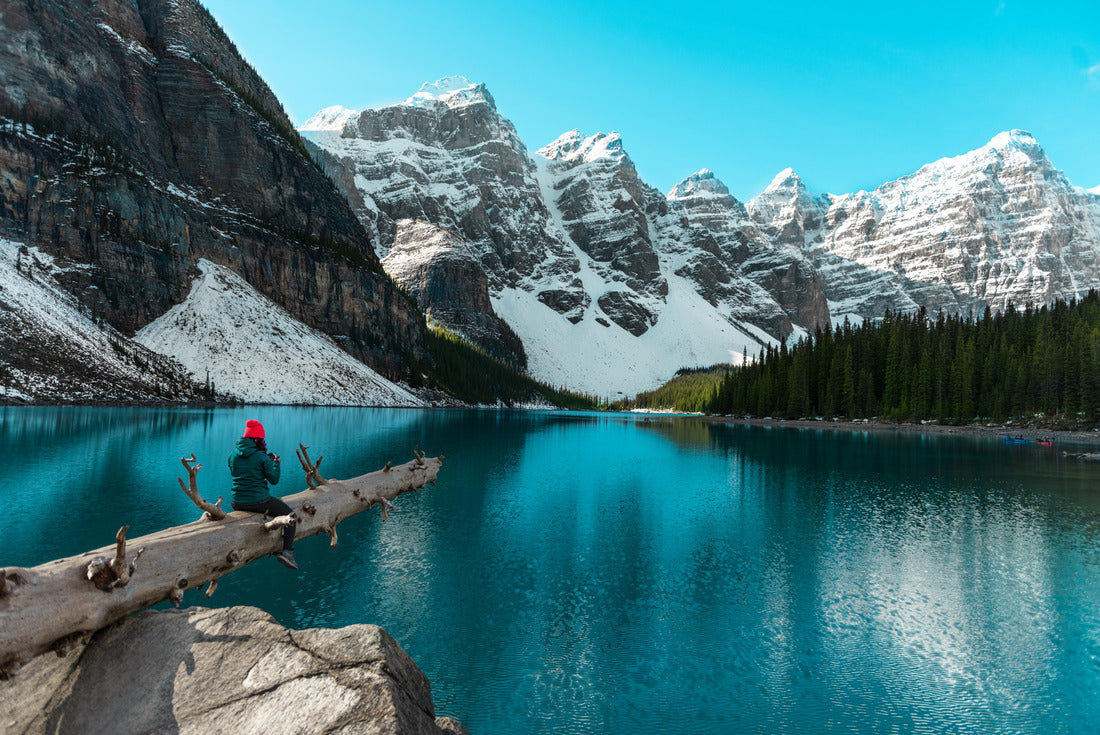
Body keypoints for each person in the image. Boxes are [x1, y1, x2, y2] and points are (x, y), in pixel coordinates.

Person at [228, 419, 298, 570]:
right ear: (257, 439)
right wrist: (276, 463)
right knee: (290, 515)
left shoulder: (233, 455)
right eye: (262, 439)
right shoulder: (261, 456)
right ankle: (287, 552)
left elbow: (236, 473)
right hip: (258, 501)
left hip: (236, 502)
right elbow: (274, 479)